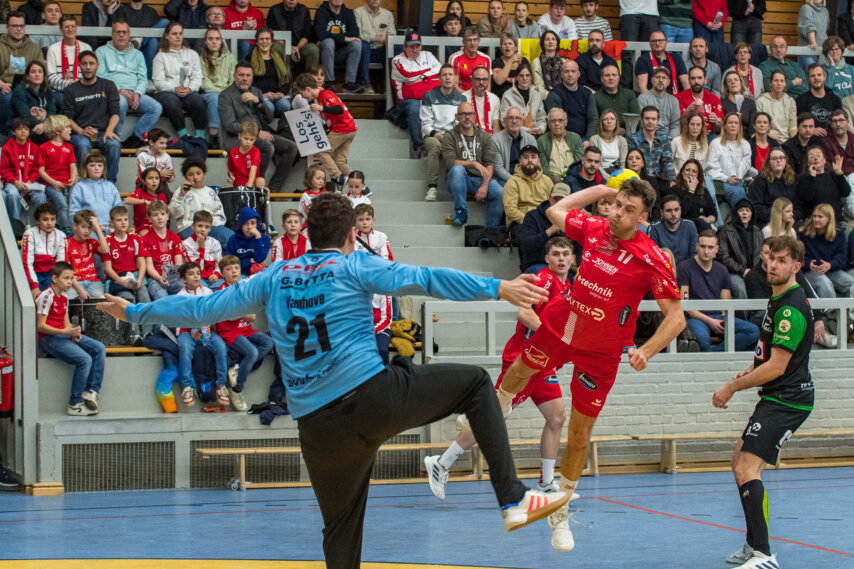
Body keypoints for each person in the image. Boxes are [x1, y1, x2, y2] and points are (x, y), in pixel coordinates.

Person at [99, 191, 572, 566]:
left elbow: (201, 307)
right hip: (370, 396)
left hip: (316, 427)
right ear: (351, 234)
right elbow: (425, 278)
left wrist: (137, 309)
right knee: (473, 384)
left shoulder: (274, 275)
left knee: (340, 532)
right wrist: (499, 286)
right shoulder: (353, 264)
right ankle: (512, 500)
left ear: (305, 235)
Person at [491, 180, 685, 551]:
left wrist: (647, 350)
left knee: (579, 435)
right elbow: (554, 212)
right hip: (565, 324)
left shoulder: (652, 257)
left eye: (629, 210)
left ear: (644, 218)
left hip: (603, 352)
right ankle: (496, 409)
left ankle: (559, 511)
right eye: (617, 205)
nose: (618, 213)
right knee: (519, 370)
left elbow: (676, 318)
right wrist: (599, 190)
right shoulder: (596, 228)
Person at [426, 236, 573, 498]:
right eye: (556, 254)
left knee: (557, 416)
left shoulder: (568, 285)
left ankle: (547, 483)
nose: (561, 259)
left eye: (566, 254)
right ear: (547, 259)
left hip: (543, 364)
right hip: (523, 362)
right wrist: (552, 338)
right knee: (494, 417)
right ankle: (441, 464)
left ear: (573, 259)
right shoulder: (544, 280)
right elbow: (524, 313)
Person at [713, 235, 813, 569]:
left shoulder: (791, 308)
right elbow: (769, 357)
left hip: (788, 400)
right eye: (770, 257)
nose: (773, 264)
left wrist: (733, 388)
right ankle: (753, 541)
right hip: (776, 395)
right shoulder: (777, 298)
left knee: (747, 467)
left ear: (796, 266)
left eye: (782, 260)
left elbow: (778, 366)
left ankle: (764, 554)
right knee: (739, 459)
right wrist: (750, 370)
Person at [37, 261, 106, 416]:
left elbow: (65, 321)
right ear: (54, 279)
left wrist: (74, 333)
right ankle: (74, 403)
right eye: (66, 278)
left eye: (72, 278)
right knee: (85, 359)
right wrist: (64, 332)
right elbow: (40, 326)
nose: (70, 282)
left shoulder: (65, 297)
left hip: (63, 335)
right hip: (49, 339)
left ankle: (91, 391)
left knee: (99, 348)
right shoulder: (46, 297)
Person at [218, 63, 299, 193]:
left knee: (291, 147)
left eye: (248, 75)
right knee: (268, 147)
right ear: (234, 77)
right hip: (240, 138)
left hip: (262, 133)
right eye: (241, 75)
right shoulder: (225, 96)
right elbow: (230, 125)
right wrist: (255, 134)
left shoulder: (256, 91)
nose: (245, 78)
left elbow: (269, 119)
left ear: (252, 77)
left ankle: (274, 188)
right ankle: (257, 184)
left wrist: (259, 102)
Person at [679, 229, 760, 351]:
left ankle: (712, 354)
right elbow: (686, 305)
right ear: (697, 246)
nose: (706, 251)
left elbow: (725, 303)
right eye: (703, 246)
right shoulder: (684, 267)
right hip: (697, 317)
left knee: (753, 331)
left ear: (717, 249)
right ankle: (713, 357)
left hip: (718, 315)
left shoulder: (722, 270)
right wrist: (710, 321)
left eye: (710, 247)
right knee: (701, 339)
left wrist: (723, 317)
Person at [216, 255, 274, 410]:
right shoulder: (222, 292)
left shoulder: (243, 287)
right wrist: (244, 314)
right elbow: (229, 314)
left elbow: (252, 315)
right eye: (229, 269)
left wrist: (246, 314)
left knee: (268, 342)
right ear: (222, 274)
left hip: (245, 329)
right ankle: (237, 390)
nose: (233, 271)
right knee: (253, 353)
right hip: (229, 332)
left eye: (236, 268)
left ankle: (237, 368)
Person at [96, 20, 163, 148]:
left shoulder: (138, 54)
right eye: (118, 32)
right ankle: (117, 137)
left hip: (134, 93)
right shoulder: (102, 51)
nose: (121, 35)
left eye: (124, 32)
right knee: (120, 103)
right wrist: (119, 90)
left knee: (156, 108)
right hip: (113, 93)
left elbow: (143, 78)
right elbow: (101, 76)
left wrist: (138, 93)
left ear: (129, 35)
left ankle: (135, 139)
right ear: (112, 34)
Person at [172, 260, 230, 406]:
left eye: (198, 273)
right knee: (185, 349)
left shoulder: (208, 292)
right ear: (184, 279)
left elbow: (214, 312)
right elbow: (179, 318)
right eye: (191, 274)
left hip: (206, 330)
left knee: (221, 347)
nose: (196, 277)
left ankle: (220, 385)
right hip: (187, 330)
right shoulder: (179, 296)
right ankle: (187, 387)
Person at [62, 51, 121, 183]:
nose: (88, 67)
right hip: (80, 133)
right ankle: (84, 182)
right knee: (83, 144)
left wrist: (109, 131)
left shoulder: (108, 85)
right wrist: (81, 131)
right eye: (84, 64)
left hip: (102, 132)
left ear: (97, 66)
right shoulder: (71, 90)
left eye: (91, 63)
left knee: (114, 144)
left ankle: (110, 182)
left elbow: (115, 113)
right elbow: (68, 118)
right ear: (79, 67)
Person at [293, 72, 359, 190]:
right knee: (340, 162)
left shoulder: (325, 94)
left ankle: (338, 177)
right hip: (349, 130)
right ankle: (362, 186)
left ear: (308, 89)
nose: (302, 97)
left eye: (302, 94)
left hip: (343, 128)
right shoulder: (319, 98)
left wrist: (321, 108)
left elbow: (339, 110)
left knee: (322, 151)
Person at [442, 101, 503, 227]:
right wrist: (473, 163)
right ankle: (461, 212)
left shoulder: (485, 136)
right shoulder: (449, 136)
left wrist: (485, 185)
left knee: (500, 192)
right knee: (457, 169)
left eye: (470, 114)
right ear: (456, 117)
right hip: (458, 179)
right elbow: (449, 162)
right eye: (463, 114)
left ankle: (490, 230)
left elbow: (489, 163)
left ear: (475, 116)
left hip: (480, 179)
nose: (467, 117)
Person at [102, 205, 152, 343]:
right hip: (116, 279)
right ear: (111, 224)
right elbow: (107, 268)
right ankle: (135, 335)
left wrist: (140, 280)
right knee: (129, 300)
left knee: (145, 298)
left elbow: (142, 264)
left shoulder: (135, 238)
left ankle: (148, 333)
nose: (123, 222)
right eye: (119, 220)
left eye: (125, 219)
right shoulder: (108, 241)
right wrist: (120, 281)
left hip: (134, 276)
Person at [152, 22, 207, 139]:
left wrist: (190, 88)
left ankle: (200, 137)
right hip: (166, 93)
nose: (178, 37)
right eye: (174, 34)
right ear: (167, 36)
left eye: (180, 33)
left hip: (187, 91)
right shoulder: (160, 56)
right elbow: (158, 82)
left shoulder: (192, 54)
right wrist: (174, 88)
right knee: (172, 102)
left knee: (199, 101)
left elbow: (197, 77)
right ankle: (183, 136)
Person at [420, 64, 466, 201]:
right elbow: (425, 123)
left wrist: (450, 136)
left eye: (450, 75)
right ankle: (432, 188)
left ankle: (451, 185)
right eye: (444, 75)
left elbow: (461, 123)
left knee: (454, 147)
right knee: (435, 146)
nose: (447, 77)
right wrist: (436, 134)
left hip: (453, 135)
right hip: (433, 135)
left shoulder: (462, 99)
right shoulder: (429, 96)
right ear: (439, 78)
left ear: (455, 78)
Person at [390, 31, 440, 153]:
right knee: (415, 108)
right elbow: (409, 76)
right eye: (411, 46)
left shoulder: (428, 55)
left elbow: (440, 71)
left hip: (429, 97)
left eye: (417, 46)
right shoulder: (397, 60)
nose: (415, 49)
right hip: (407, 101)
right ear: (405, 47)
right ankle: (419, 146)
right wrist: (429, 75)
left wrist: (422, 78)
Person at [169, 159, 233, 245]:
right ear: (185, 177)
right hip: (189, 227)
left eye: (198, 173)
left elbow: (219, 215)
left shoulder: (210, 192)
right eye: (190, 174)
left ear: (204, 174)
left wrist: (206, 226)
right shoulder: (180, 191)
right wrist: (181, 196)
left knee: (230, 237)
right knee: (199, 242)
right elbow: (173, 213)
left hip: (210, 227)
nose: (195, 177)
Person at [0, 11, 45, 132]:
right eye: (15, 26)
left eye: (21, 26)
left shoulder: (33, 47)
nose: (18, 29)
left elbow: (42, 70)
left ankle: (33, 134)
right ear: (7, 27)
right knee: (9, 98)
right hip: (4, 88)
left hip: (29, 87)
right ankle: (6, 135)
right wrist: (1, 84)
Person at [798, 203, 853, 297]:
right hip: (810, 272)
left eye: (820, 217)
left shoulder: (839, 234)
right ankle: (830, 311)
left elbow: (842, 257)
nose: (816, 219)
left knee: (852, 283)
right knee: (824, 282)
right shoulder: (804, 234)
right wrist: (809, 264)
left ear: (829, 219)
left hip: (832, 270)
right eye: (814, 216)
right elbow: (799, 257)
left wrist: (830, 265)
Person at [502, 143, 553, 242]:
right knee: (528, 236)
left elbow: (554, 205)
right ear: (520, 161)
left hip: (543, 220)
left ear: (538, 161)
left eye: (533, 157)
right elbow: (511, 211)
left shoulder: (547, 181)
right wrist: (532, 220)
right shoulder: (513, 182)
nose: (530, 160)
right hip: (520, 222)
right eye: (526, 157)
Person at [36, 114, 76, 233]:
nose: (70, 130)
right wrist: (54, 182)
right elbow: (41, 171)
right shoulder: (44, 147)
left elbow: (72, 166)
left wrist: (73, 178)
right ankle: (68, 231)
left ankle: (74, 226)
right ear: (58, 130)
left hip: (67, 183)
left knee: (74, 202)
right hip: (51, 184)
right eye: (67, 127)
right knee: (62, 205)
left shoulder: (69, 147)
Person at [708, 112, 757, 206]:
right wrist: (726, 178)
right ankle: (740, 218)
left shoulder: (745, 144)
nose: (733, 125)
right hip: (721, 181)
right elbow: (711, 168)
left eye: (736, 123)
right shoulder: (716, 143)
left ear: (739, 126)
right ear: (725, 125)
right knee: (738, 192)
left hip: (740, 180)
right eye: (730, 123)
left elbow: (746, 165)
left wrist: (739, 177)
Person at [518, 183, 569, 272]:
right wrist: (549, 232)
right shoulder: (533, 216)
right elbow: (525, 245)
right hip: (538, 263)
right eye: (555, 199)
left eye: (563, 200)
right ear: (549, 197)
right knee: (547, 277)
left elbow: (578, 249)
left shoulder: (573, 218)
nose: (558, 203)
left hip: (566, 265)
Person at [718, 198, 763, 298]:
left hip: (754, 272)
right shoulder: (726, 231)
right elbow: (723, 257)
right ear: (735, 213)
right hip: (734, 272)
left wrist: (754, 272)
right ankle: (743, 314)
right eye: (741, 210)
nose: (744, 213)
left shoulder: (758, 232)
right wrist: (743, 270)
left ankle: (759, 314)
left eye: (748, 210)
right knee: (740, 289)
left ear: (752, 213)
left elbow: (762, 255)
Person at [68, 150, 121, 233]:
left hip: (110, 228)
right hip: (88, 230)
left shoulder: (110, 186)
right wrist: (89, 226)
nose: (96, 168)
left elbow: (118, 209)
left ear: (103, 168)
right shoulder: (79, 187)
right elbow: (74, 213)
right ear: (85, 168)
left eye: (100, 165)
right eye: (92, 165)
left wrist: (114, 223)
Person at [198, 29, 234, 149]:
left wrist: (225, 94)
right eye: (210, 39)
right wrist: (220, 94)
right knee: (214, 97)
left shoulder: (230, 58)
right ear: (205, 42)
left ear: (221, 41)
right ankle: (214, 136)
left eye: (217, 39)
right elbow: (203, 81)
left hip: (227, 93)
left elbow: (233, 79)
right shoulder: (201, 58)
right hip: (208, 94)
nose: (214, 42)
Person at [315, 0, 362, 93]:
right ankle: (328, 82)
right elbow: (320, 34)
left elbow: (354, 33)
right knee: (329, 42)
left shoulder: (348, 13)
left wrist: (337, 37)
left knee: (356, 44)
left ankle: (349, 83)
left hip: (341, 53)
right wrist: (344, 38)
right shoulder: (321, 12)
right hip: (324, 53)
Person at [544, 59, 598, 139]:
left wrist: (588, 139)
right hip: (563, 139)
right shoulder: (554, 95)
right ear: (561, 74)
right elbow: (556, 122)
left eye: (573, 71)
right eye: (566, 72)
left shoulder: (587, 93)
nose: (570, 74)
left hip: (585, 139)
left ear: (578, 74)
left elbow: (593, 119)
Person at [45, 16, 91, 109]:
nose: (70, 30)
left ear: (76, 28)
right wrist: (68, 84)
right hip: (60, 91)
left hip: (83, 89)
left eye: (73, 26)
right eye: (66, 27)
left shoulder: (86, 48)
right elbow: (51, 77)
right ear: (61, 29)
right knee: (66, 101)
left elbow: (90, 73)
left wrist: (78, 85)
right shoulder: (53, 49)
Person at [627, 106, 676, 189]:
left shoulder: (664, 139)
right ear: (642, 120)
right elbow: (631, 163)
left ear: (658, 121)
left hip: (660, 180)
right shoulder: (632, 139)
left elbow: (667, 161)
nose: (650, 121)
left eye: (653, 119)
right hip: (640, 180)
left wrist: (672, 179)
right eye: (647, 119)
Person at [796, 146, 849, 222]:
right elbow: (807, 197)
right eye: (811, 157)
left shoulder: (833, 175)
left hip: (835, 220)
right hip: (814, 221)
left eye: (818, 155)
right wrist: (812, 176)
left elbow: (846, 192)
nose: (815, 158)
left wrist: (839, 172)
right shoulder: (803, 178)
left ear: (824, 160)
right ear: (808, 163)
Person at [22, 202, 65, 297]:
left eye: (52, 219)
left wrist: (56, 285)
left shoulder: (61, 236)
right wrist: (34, 286)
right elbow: (27, 263)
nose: (49, 223)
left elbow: (61, 264)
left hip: (51, 276)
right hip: (34, 275)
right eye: (45, 219)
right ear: (38, 220)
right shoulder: (29, 234)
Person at [64, 209, 108, 300]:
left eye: (89, 228)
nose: (87, 231)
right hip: (74, 282)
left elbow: (105, 250)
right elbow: (67, 271)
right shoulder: (67, 244)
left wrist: (97, 228)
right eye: (83, 227)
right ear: (75, 226)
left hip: (93, 282)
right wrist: (80, 290)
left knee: (102, 303)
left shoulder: (91, 241)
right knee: (68, 300)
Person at [748, 148, 798, 227]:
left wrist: (791, 217)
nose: (778, 161)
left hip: (789, 221)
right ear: (768, 162)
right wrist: (779, 217)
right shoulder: (760, 180)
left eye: (781, 158)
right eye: (774, 159)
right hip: (768, 221)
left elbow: (798, 206)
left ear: (786, 161)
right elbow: (756, 206)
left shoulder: (792, 179)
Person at [267, 0, 319, 70]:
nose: (292, 0)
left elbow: (307, 34)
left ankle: (310, 79)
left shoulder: (304, 10)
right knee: (275, 47)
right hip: (282, 46)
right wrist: (288, 47)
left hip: (299, 47)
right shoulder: (274, 10)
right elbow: (273, 34)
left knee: (313, 49)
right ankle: (282, 79)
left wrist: (297, 47)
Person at [250, 28, 290, 119]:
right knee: (269, 108)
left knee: (285, 106)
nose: (264, 41)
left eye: (267, 39)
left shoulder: (278, 58)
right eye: (261, 39)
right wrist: (263, 94)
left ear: (272, 42)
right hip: (261, 96)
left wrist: (281, 93)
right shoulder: (250, 59)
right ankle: (266, 130)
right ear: (257, 42)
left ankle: (282, 129)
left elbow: (287, 80)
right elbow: (249, 82)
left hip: (277, 95)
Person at [354, 0, 393, 93]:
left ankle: (391, 88)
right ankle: (366, 84)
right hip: (363, 50)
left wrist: (387, 38)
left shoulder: (388, 14)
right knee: (364, 45)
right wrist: (375, 37)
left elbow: (392, 35)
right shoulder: (357, 12)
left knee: (392, 50)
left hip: (380, 49)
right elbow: (356, 34)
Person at [10, 60, 54, 143]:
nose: (37, 74)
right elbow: (25, 115)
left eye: (40, 72)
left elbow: (52, 112)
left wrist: (44, 125)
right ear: (27, 76)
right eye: (33, 72)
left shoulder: (47, 91)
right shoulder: (19, 90)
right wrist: (43, 126)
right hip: (23, 128)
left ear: (44, 75)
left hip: (43, 127)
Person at [635, 31, 689, 97]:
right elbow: (642, 88)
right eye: (654, 41)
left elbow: (686, 83)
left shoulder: (677, 59)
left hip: (675, 100)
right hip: (653, 101)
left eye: (660, 40)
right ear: (650, 43)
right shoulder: (643, 60)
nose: (657, 43)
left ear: (666, 42)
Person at [648, 194, 699, 264]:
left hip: (687, 272)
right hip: (664, 272)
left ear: (680, 210)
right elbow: (653, 258)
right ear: (661, 213)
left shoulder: (690, 225)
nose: (673, 214)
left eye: (676, 210)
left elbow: (694, 255)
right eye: (669, 211)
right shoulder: (654, 229)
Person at [537, 107, 583, 183]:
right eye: (553, 121)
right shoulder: (541, 141)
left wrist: (568, 179)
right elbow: (543, 168)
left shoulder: (575, 138)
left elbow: (578, 165)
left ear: (566, 122)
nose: (557, 124)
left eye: (560, 120)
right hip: (550, 181)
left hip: (573, 179)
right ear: (548, 123)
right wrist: (554, 179)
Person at [493, 106, 537, 185]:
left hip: (527, 177)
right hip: (505, 179)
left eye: (517, 118)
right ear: (504, 121)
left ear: (522, 122)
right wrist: (515, 180)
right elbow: (498, 168)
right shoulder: (495, 140)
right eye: (510, 118)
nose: (514, 121)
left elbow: (535, 163)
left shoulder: (530, 139)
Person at [181, 210, 224, 289]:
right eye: (200, 226)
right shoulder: (186, 244)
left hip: (213, 278)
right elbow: (194, 269)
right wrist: (201, 248)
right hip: (197, 278)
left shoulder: (215, 243)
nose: (203, 230)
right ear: (193, 226)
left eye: (207, 227)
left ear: (210, 229)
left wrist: (217, 274)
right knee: (201, 289)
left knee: (227, 287)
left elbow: (220, 264)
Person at [672, 159, 718, 232]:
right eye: (687, 170)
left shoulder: (704, 191)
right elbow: (682, 211)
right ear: (682, 172)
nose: (690, 173)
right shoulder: (675, 190)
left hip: (703, 226)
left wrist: (708, 219)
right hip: (683, 226)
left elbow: (713, 213)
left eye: (694, 171)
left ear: (698, 175)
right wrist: (691, 190)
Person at [224, 206, 271, 277]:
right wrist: (249, 261)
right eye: (245, 223)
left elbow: (260, 258)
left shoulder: (264, 239)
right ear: (240, 225)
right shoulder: (233, 240)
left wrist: (258, 237)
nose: (249, 227)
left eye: (253, 223)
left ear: (257, 224)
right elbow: (229, 265)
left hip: (258, 274)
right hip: (239, 275)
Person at [676, 66, 724, 136]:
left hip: (708, 135)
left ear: (705, 80)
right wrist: (687, 111)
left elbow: (720, 128)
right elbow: (675, 124)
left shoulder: (714, 99)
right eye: (693, 78)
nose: (696, 81)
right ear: (688, 80)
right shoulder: (679, 98)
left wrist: (717, 122)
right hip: (686, 135)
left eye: (699, 78)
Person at [796, 64, 841, 136]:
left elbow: (840, 122)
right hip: (810, 139)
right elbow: (798, 124)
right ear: (808, 79)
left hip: (832, 138)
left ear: (824, 77)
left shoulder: (835, 99)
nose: (816, 78)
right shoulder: (801, 100)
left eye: (819, 75)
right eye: (812, 76)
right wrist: (811, 130)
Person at [500, 63, 545, 136]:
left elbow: (541, 118)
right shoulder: (507, 95)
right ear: (516, 78)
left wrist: (541, 128)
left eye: (527, 75)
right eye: (521, 75)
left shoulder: (537, 95)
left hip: (535, 135)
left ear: (531, 77)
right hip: (513, 135)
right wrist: (526, 130)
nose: (525, 78)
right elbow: (504, 120)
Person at [592, 64, 639, 132]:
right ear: (602, 79)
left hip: (628, 135)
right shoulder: (595, 97)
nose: (611, 78)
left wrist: (626, 131)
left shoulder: (629, 94)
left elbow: (636, 118)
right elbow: (594, 122)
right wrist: (615, 130)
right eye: (607, 75)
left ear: (619, 78)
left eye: (614, 75)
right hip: (604, 135)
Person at [638, 67, 681, 137]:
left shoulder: (674, 101)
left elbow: (675, 125)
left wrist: (671, 139)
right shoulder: (643, 98)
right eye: (657, 77)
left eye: (664, 78)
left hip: (668, 138)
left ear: (668, 82)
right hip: (648, 136)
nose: (660, 80)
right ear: (652, 80)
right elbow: (642, 123)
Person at [756, 70, 797, 144]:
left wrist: (793, 143)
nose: (779, 83)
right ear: (771, 83)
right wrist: (769, 136)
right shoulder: (761, 101)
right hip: (768, 138)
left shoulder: (790, 101)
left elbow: (793, 126)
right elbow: (758, 124)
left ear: (785, 84)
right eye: (776, 80)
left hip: (787, 140)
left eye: (781, 81)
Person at [449, 27, 491, 93]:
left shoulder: (486, 59)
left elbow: (488, 86)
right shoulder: (455, 58)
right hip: (462, 97)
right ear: (463, 42)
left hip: (481, 96)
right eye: (469, 40)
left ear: (479, 41)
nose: (472, 43)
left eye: (475, 40)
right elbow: (454, 86)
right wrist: (470, 97)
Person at [226, 121, 264, 188]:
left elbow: (253, 170)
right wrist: (231, 177)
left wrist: (249, 187)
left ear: (255, 140)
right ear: (239, 136)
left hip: (251, 183)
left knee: (261, 181)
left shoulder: (255, 151)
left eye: (251, 139)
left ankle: (263, 197)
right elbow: (230, 170)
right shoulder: (232, 152)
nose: (248, 142)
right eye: (246, 138)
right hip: (238, 185)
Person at [464, 66, 500, 133]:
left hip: (489, 136)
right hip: (470, 135)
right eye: (477, 79)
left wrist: (495, 141)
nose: (481, 82)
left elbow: (496, 125)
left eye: (484, 79)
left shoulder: (495, 99)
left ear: (489, 80)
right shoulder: (463, 98)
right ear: (472, 80)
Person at [721, 70, 757, 138]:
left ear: (741, 82)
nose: (733, 82)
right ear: (726, 85)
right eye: (729, 81)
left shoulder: (750, 103)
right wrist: (732, 118)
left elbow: (752, 127)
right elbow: (721, 126)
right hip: (728, 137)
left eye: (736, 80)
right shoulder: (722, 103)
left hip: (747, 138)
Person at [491, 33, 526, 99]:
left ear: (515, 48)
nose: (507, 46)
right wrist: (510, 61)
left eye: (510, 44)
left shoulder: (523, 61)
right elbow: (499, 81)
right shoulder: (496, 62)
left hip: (520, 96)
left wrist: (507, 78)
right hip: (502, 96)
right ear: (501, 48)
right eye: (504, 44)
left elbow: (526, 81)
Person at [797, 0, 829, 70]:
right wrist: (813, 43)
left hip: (822, 51)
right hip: (808, 50)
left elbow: (825, 30)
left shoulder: (825, 11)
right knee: (810, 75)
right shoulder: (806, 8)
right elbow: (808, 27)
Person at [823, 108, 854, 178]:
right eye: (834, 121)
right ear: (831, 124)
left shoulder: (853, 138)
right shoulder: (826, 142)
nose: (838, 124)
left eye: (841, 120)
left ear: (847, 122)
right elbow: (830, 167)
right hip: (838, 178)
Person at [532, 30, 562, 99]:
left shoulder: (564, 62)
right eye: (547, 39)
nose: (550, 42)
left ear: (557, 44)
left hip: (563, 98)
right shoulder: (536, 62)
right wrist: (554, 98)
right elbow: (538, 88)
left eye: (553, 39)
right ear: (543, 44)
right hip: (544, 99)